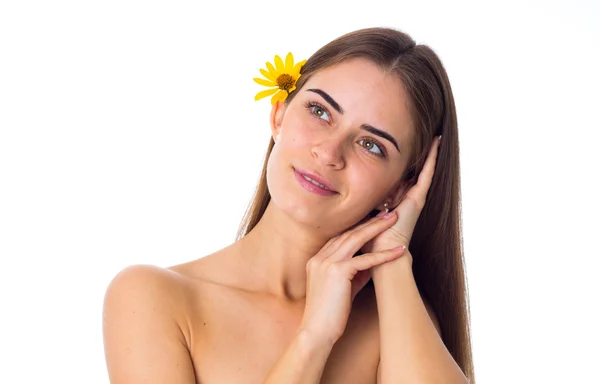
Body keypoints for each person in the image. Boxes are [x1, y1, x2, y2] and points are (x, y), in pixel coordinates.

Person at [102, 26, 475, 383]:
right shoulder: (153, 298)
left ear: (402, 187)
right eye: (320, 111)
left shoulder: (398, 324)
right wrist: (313, 337)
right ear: (279, 113)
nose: (329, 152)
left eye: (371, 145)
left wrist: (392, 257)